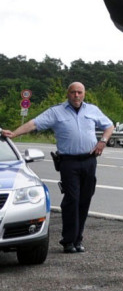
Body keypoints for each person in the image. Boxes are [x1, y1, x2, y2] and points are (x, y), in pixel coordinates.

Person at [2, 82, 114, 254]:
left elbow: (109, 125)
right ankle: (68, 241)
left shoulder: (92, 110)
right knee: (72, 200)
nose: (76, 95)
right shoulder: (56, 112)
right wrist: (14, 133)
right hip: (69, 163)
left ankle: (78, 239)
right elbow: (34, 124)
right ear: (67, 94)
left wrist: (103, 141)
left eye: (79, 92)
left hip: (89, 161)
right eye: (73, 92)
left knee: (84, 200)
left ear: (84, 94)